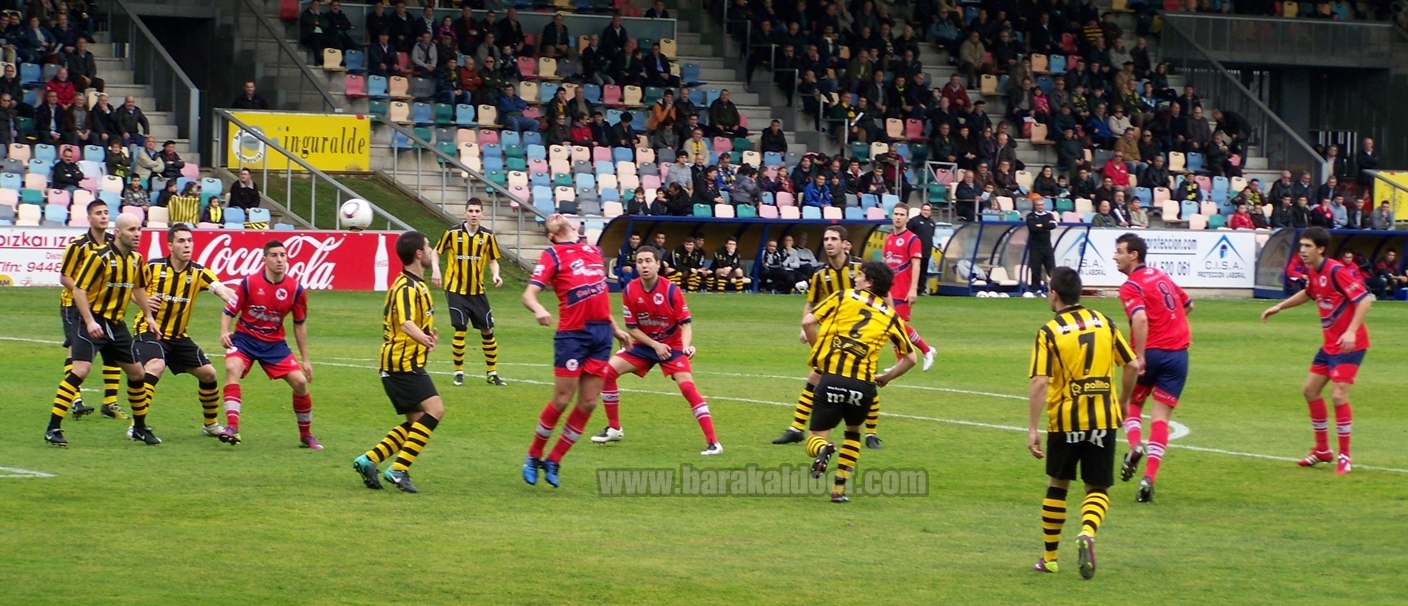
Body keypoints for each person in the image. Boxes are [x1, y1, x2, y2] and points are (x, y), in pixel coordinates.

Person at [1027, 266, 1137, 578]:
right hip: (1103, 417)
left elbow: (1039, 382)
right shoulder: (1104, 321)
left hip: (1065, 420)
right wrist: (1124, 401)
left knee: (1057, 486)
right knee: (1097, 487)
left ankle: (1049, 559)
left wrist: (1033, 428)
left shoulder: (1048, 331)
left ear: (1054, 294)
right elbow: (1131, 364)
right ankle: (1087, 531)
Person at [521, 215, 630, 488]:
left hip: (601, 334)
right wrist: (539, 309)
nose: (555, 216)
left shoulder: (594, 251)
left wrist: (615, 328)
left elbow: (599, 296)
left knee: (589, 402)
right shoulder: (552, 254)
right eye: (550, 220)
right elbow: (528, 294)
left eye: (558, 215)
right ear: (551, 235)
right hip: (573, 334)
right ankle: (534, 456)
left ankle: (555, 459)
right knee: (561, 399)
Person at [588, 245, 721, 455]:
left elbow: (685, 323)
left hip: (673, 346)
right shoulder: (630, 290)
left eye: (649, 261)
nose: (644, 265)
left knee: (687, 388)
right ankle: (614, 428)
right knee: (607, 372)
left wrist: (685, 347)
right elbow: (632, 328)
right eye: (640, 261)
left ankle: (713, 442)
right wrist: (655, 345)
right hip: (644, 345)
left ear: (658, 264)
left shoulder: (671, 290)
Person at [803, 261, 917, 503]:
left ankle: (822, 450)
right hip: (863, 386)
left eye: (860, 275)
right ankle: (838, 491)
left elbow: (807, 322)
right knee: (853, 434)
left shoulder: (842, 297)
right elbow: (911, 358)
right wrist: (885, 377)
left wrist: (821, 351)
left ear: (870, 282)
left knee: (816, 435)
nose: (855, 278)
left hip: (832, 378)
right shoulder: (891, 317)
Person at [1261, 227, 1371, 475]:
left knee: (1338, 396)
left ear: (1321, 249)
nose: (1302, 250)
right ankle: (1322, 450)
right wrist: (1279, 307)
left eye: (1307, 246)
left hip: (1349, 345)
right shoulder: (1313, 271)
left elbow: (1365, 299)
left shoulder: (1336, 271)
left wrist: (1351, 331)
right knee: (1310, 390)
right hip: (1330, 344)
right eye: (1301, 246)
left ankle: (1345, 456)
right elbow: (1309, 293)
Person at [44, 213, 157, 447]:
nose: (137, 234)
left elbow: (138, 290)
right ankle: (53, 427)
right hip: (92, 320)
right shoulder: (99, 257)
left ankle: (139, 427)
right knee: (81, 370)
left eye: (139, 229)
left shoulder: (136, 260)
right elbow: (79, 290)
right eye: (132, 230)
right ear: (118, 233)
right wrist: (89, 321)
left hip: (116, 324)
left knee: (137, 374)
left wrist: (148, 316)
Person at [351, 231, 444, 494]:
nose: (430, 250)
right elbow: (405, 322)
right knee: (435, 409)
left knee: (417, 423)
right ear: (418, 253)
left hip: (405, 364)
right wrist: (423, 339)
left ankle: (368, 460)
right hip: (400, 365)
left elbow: (415, 322)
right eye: (428, 246)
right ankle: (398, 470)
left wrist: (427, 337)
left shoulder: (418, 285)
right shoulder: (405, 286)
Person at [132, 225, 238, 440]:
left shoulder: (198, 272)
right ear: (170, 245)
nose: (187, 245)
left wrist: (236, 299)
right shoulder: (152, 268)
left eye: (189, 240)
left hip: (178, 337)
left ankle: (210, 425)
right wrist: (143, 302)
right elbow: (130, 288)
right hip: (149, 331)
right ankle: (138, 425)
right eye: (181, 241)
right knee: (156, 365)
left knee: (209, 374)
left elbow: (220, 288)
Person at [1113, 233, 1193, 503]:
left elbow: (1140, 318)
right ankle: (1149, 477)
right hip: (1179, 354)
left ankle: (1135, 446)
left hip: (1153, 353)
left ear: (1134, 255)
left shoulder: (1130, 286)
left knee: (1130, 405)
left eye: (1120, 251)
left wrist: (1141, 355)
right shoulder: (1161, 276)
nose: (1115, 256)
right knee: (1161, 417)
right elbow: (1188, 304)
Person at [217, 240, 319, 449]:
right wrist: (224, 331)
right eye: (274, 255)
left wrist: (306, 360)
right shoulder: (249, 283)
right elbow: (229, 311)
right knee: (231, 367)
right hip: (245, 339)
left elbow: (299, 325)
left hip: (274, 344)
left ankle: (306, 436)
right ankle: (232, 427)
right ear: (265, 260)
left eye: (283, 255)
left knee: (300, 382)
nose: (279, 259)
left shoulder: (295, 290)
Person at [773, 226, 866, 446]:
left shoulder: (860, 268)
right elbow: (811, 303)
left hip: (860, 334)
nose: (829, 242)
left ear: (844, 243)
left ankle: (869, 433)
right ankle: (796, 428)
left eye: (833, 238)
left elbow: (881, 293)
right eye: (826, 239)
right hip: (832, 335)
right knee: (815, 377)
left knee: (863, 380)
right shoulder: (820, 274)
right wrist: (803, 328)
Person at [54, 201, 125, 422]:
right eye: (98, 213)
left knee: (112, 349)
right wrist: (81, 291)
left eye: (106, 212)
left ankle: (110, 403)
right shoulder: (78, 245)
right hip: (73, 305)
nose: (104, 216)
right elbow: (65, 277)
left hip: (103, 307)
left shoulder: (115, 243)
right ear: (89, 219)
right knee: (76, 350)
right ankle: (75, 399)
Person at [434, 199, 506, 388]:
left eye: (477, 211)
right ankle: (458, 373)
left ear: (482, 214)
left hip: (477, 291)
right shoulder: (452, 233)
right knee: (460, 328)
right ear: (465, 213)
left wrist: (496, 275)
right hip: (455, 289)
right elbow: (436, 252)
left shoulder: (488, 237)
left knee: (487, 330)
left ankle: (492, 373)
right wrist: (435, 270)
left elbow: (492, 260)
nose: (474, 214)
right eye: (470, 211)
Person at [884, 205, 938, 379]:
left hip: (903, 290)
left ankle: (926, 349)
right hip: (889, 291)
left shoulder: (912, 239)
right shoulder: (889, 239)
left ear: (907, 218)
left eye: (902, 215)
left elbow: (916, 265)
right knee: (890, 328)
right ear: (892, 217)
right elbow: (886, 265)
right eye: (896, 214)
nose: (898, 217)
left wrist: (913, 288)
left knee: (896, 326)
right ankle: (901, 362)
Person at [1026, 195, 1058, 294]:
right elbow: (1032, 228)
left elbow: (1054, 225)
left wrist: (1041, 225)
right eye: (1038, 205)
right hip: (1035, 247)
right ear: (1035, 206)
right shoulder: (1030, 216)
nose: (1040, 207)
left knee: (1052, 269)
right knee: (1036, 269)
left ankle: (1055, 289)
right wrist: (1046, 226)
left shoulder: (1049, 215)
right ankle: (1036, 289)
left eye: (1041, 205)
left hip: (1047, 246)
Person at [906, 203, 937, 295]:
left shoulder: (932, 223)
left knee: (923, 271)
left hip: (926, 251)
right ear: (921, 210)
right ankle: (910, 288)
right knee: (913, 270)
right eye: (924, 210)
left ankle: (921, 289)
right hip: (914, 251)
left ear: (930, 212)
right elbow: (907, 234)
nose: (926, 212)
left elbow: (930, 236)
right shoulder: (914, 221)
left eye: (928, 210)